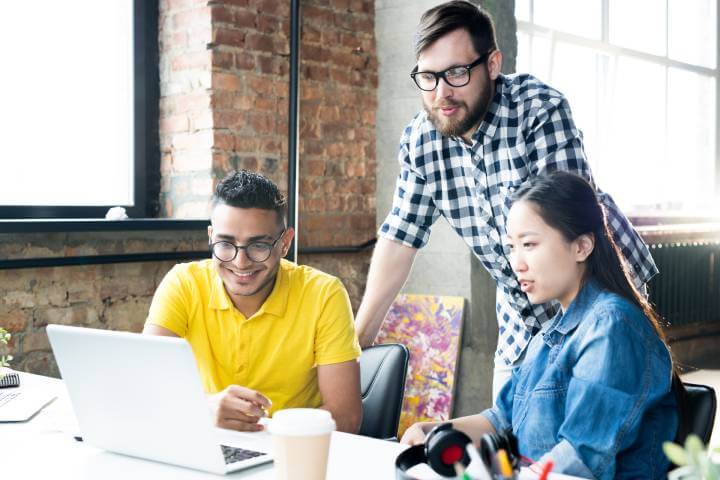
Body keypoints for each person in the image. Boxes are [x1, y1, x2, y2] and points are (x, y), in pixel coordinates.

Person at [355, 0, 657, 398]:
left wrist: (582, 350)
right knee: (504, 442)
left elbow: (569, 226)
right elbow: (399, 239)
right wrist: (356, 343)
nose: (441, 93)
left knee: (592, 439)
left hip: (597, 290)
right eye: (428, 77)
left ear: (492, 64)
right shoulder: (420, 140)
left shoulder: (538, 109)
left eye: (457, 73)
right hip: (521, 310)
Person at [400, 171, 679, 479]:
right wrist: (434, 432)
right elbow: (500, 419)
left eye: (529, 244)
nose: (517, 263)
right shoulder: (548, 333)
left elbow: (582, 457)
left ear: (582, 247)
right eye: (511, 247)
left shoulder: (612, 327)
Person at [143, 170, 362, 433]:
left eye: (258, 246)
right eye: (225, 243)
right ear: (211, 237)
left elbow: (346, 417)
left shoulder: (324, 294)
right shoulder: (183, 283)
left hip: (291, 453)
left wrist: (264, 431)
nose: (240, 262)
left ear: (285, 243)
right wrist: (204, 409)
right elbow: (145, 389)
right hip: (206, 443)